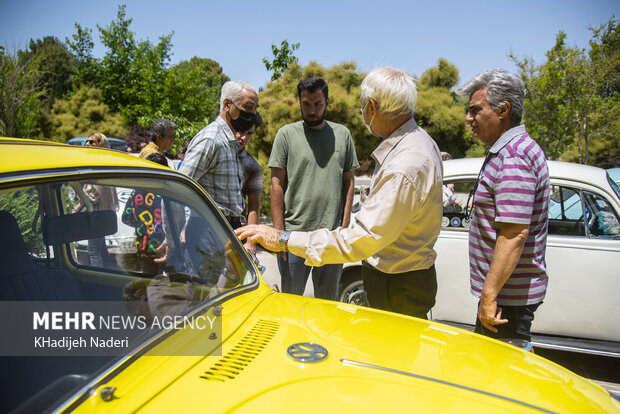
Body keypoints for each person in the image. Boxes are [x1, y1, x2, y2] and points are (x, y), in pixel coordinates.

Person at [237, 67, 443, 318]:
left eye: (362, 106)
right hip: (399, 280)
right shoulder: (418, 143)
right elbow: (277, 183)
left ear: (372, 107)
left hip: (397, 286)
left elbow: (362, 238)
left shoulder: (404, 163)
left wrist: (282, 239)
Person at [457, 69, 550, 342]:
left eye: (476, 110)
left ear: (503, 110)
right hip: (504, 296)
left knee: (498, 378)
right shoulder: (509, 149)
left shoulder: (514, 156)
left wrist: (489, 296)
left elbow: (513, 234)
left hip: (506, 301)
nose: (468, 118)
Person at [269, 77, 359, 300]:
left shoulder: (342, 134)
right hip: (293, 237)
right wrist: (279, 233)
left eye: (317, 104)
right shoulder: (286, 135)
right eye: (306, 104)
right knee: (290, 302)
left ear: (327, 102)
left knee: (327, 304)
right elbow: (276, 184)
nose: (312, 110)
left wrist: (344, 226)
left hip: (330, 236)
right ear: (299, 102)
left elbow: (349, 181)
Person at [179, 80, 259, 229]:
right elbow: (178, 190)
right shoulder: (210, 140)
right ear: (227, 104)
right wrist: (173, 239)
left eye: (255, 109)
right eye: (248, 107)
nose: (253, 114)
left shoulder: (229, 142)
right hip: (208, 230)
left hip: (228, 229)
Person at [73, 133, 119, 267]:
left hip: (96, 212)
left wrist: (77, 207)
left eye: (92, 142)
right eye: (87, 141)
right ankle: (109, 273)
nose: (88, 144)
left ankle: (100, 278)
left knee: (93, 250)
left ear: (101, 144)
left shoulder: (99, 164)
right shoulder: (97, 162)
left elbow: (93, 193)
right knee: (100, 248)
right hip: (100, 212)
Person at [121, 152, 169, 275]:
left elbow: (126, 218)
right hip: (163, 245)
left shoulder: (136, 191)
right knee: (171, 282)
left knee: (148, 282)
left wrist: (141, 225)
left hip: (143, 246)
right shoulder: (166, 193)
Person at [238, 112, 263, 253]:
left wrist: (251, 242)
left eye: (249, 133)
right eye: (241, 131)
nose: (244, 138)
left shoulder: (252, 166)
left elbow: (254, 207)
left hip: (237, 228)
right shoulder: (215, 152)